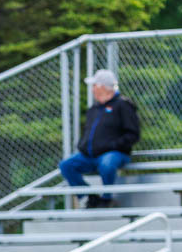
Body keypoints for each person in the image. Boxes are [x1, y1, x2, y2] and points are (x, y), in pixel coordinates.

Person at [58, 69, 140, 209]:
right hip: (90, 155)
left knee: (107, 163)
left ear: (103, 87)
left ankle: (107, 199)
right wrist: (83, 145)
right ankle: (89, 197)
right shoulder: (94, 109)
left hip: (115, 153)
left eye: (94, 85)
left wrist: (113, 145)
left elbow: (133, 134)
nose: (92, 89)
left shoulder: (123, 105)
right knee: (66, 165)